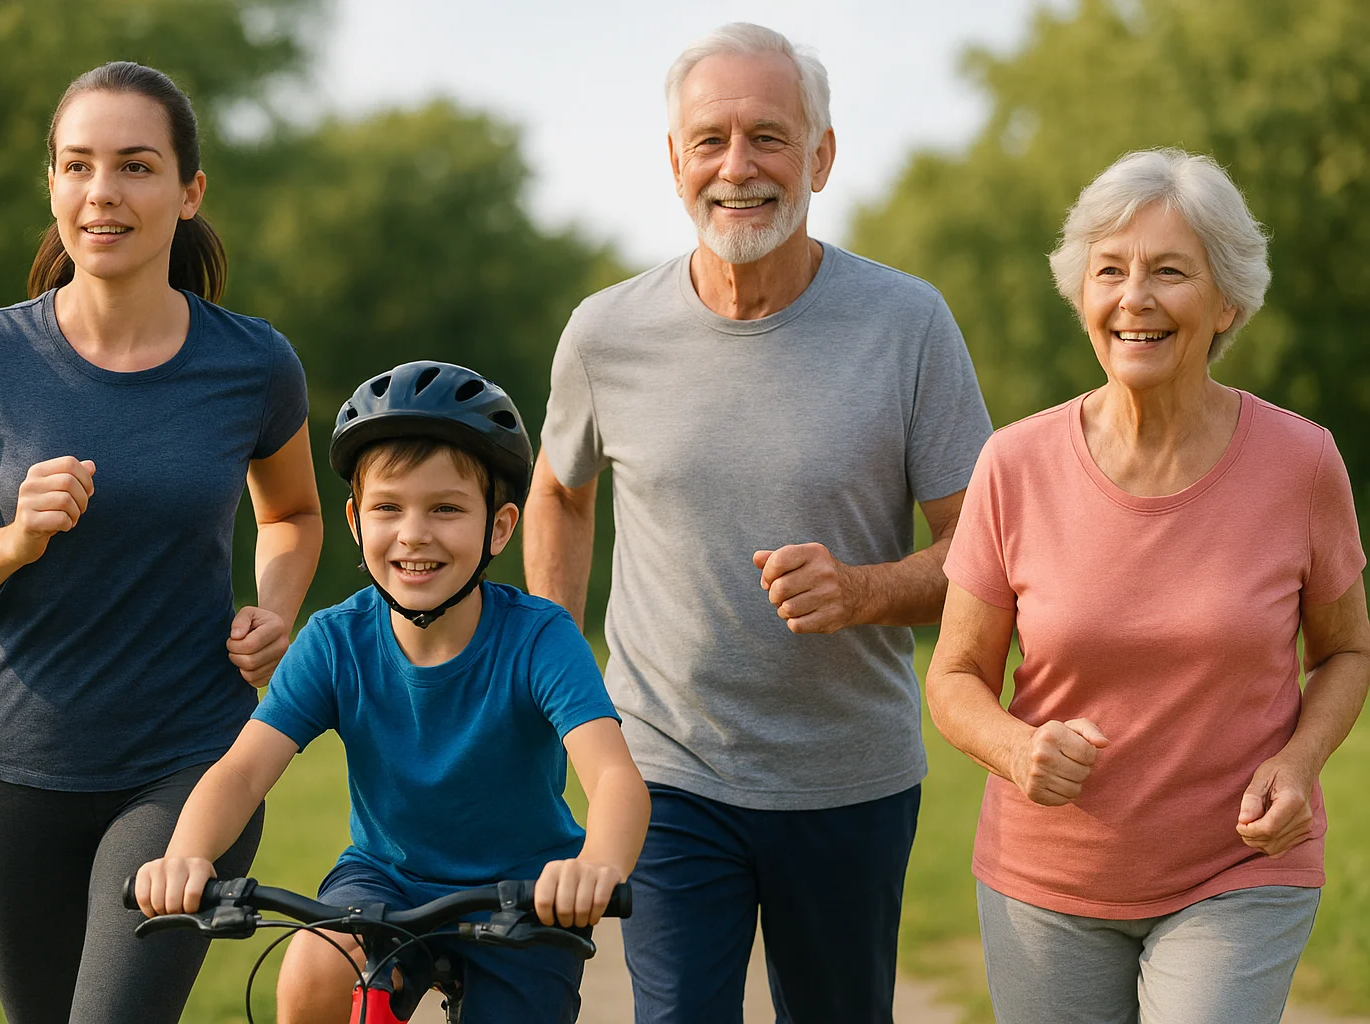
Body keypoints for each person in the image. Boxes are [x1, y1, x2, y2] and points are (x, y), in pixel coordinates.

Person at [524, 22, 993, 1024]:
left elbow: (988, 550)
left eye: (770, 137)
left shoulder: (909, 324)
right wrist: (556, 668)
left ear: (821, 154)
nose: (739, 167)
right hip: (665, 768)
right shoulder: (605, 331)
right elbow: (560, 490)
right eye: (711, 140)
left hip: (849, 776)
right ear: (675, 161)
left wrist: (862, 590)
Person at [0, 62, 322, 1024]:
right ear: (53, 185)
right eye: (77, 166)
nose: (103, 193)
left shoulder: (251, 362)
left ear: (188, 191)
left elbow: (292, 514)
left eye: (135, 166)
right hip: (10, 776)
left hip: (188, 762)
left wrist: (273, 609)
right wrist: (11, 543)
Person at [927, 148, 1370, 1024]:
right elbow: (952, 678)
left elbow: (1349, 649)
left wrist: (1299, 759)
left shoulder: (1302, 463)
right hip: (1048, 879)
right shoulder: (1013, 465)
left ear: (1227, 300)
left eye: (1170, 272)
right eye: (1110, 272)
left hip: (1239, 869)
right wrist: (1018, 751)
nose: (1135, 298)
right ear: (1081, 295)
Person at [134, 360, 651, 1024]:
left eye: (446, 508)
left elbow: (614, 778)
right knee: (315, 966)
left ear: (499, 528)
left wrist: (596, 867)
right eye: (388, 507)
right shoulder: (335, 642)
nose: (413, 533)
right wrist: (184, 858)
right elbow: (240, 771)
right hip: (384, 880)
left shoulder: (541, 639)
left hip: (523, 891)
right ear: (356, 521)